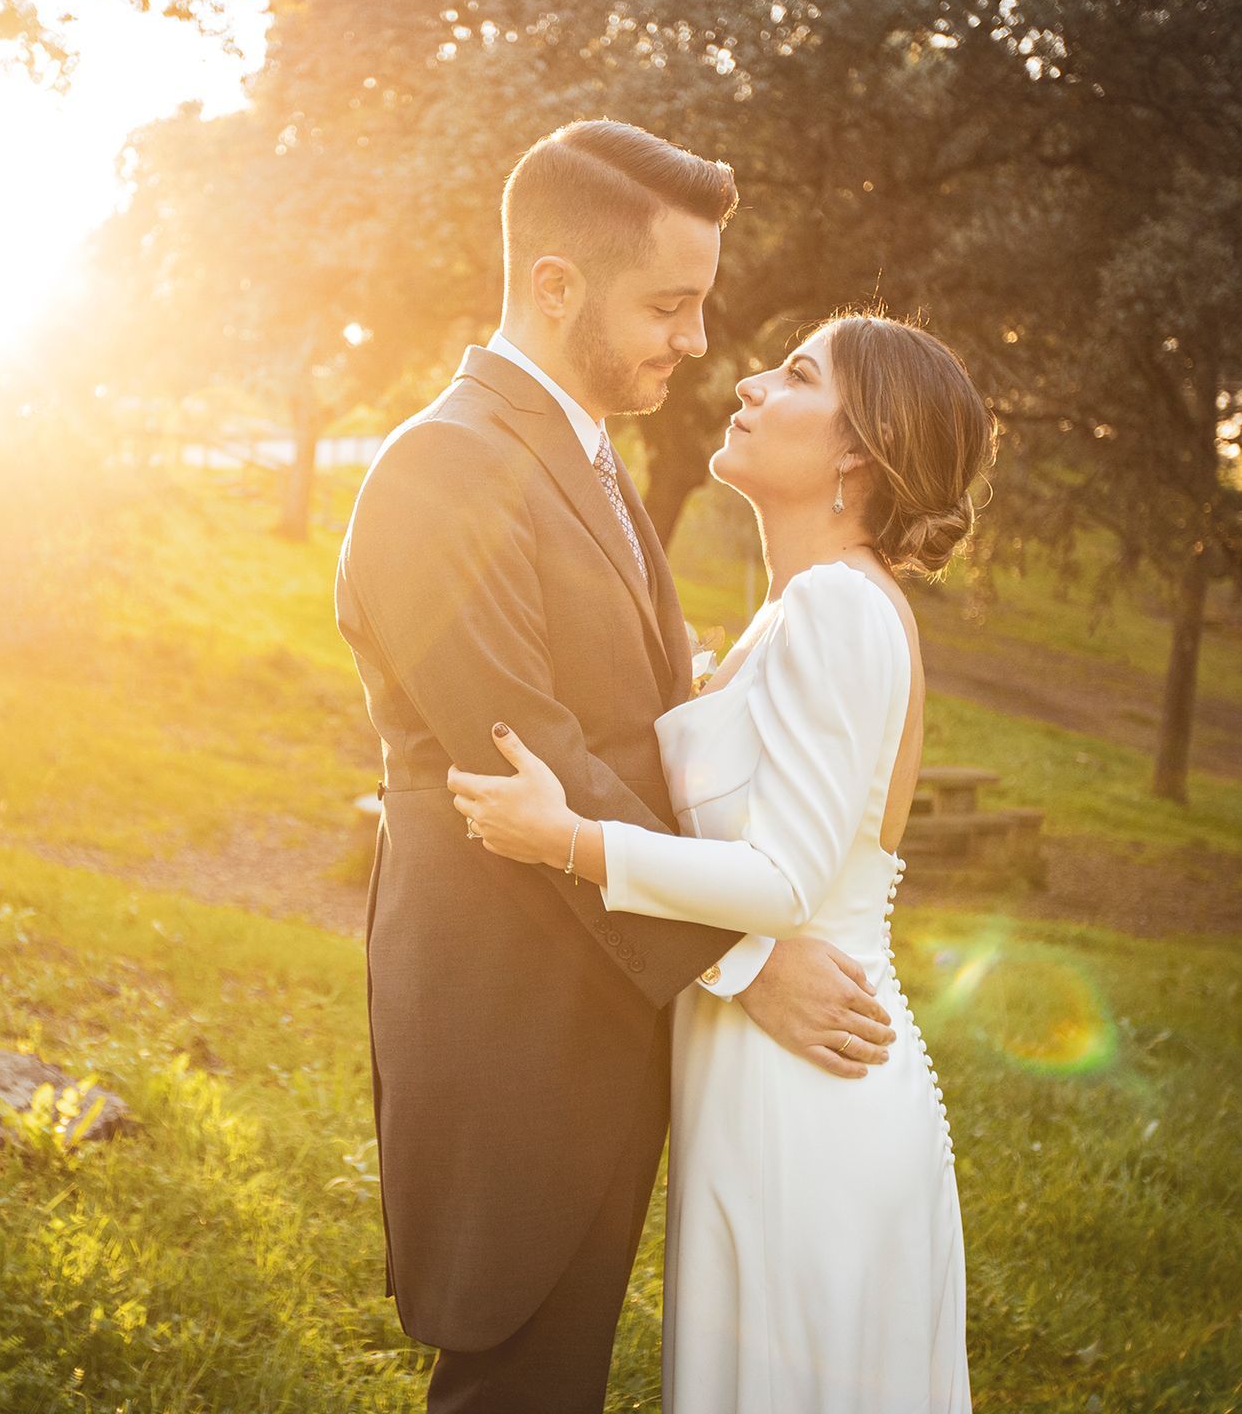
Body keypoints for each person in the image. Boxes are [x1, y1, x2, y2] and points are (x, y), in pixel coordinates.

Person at [333, 119, 900, 1414]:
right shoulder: (442, 469)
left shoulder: (587, 461)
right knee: (515, 1382)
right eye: (669, 304)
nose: (697, 341)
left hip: (596, 1006)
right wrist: (746, 960)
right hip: (511, 1017)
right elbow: (525, 762)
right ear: (553, 285)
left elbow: (640, 737)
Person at [450, 310, 997, 1411]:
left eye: (795, 374)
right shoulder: (794, 611)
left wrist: (572, 841)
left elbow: (788, 884)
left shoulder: (840, 606)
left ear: (857, 448)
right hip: (754, 1074)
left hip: (809, 1097)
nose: (747, 382)